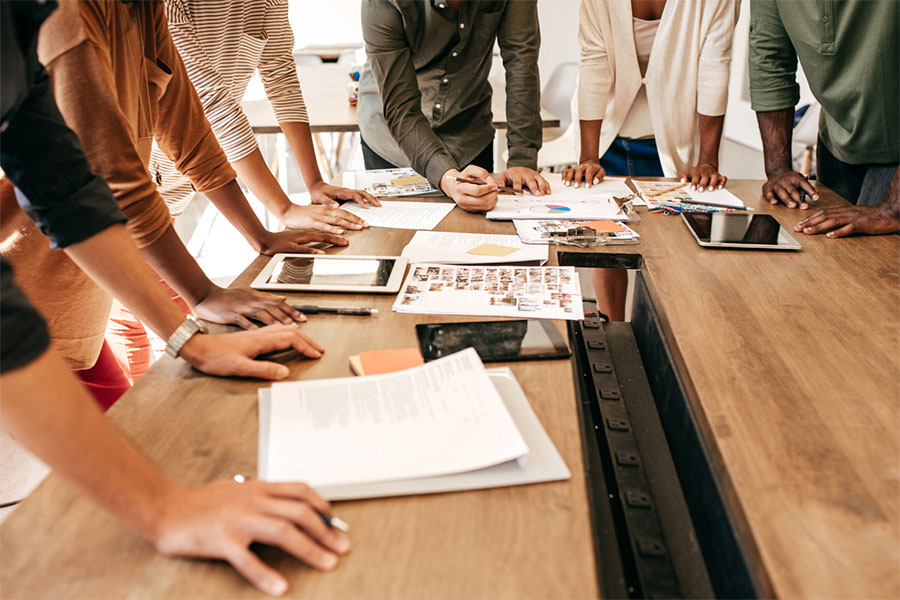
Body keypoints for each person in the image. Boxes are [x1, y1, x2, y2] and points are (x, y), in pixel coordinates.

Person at [1, 4, 348, 593]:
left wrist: (191, 329)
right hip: (29, 315)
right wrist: (161, 509)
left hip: (63, 308)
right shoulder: (70, 15)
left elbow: (67, 182)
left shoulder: (118, 11)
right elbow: (108, 171)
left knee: (146, 447)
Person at [3, 0, 347, 393]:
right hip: (36, 274)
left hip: (89, 257)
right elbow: (113, 171)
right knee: (133, 424)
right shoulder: (73, 15)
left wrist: (260, 234)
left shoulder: (146, 9)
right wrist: (198, 307)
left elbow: (190, 131)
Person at [561, 0, 739, 320]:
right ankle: (613, 331)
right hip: (606, 136)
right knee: (607, 243)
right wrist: (588, 156)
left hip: (675, 143)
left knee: (669, 251)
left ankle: (653, 339)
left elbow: (714, 66)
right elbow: (593, 65)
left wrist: (707, 161)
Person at [153, 0, 379, 238]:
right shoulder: (170, 4)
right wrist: (284, 209)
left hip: (181, 177)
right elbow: (211, 102)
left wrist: (314, 183)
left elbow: (282, 79)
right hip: (142, 171)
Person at [358, 0, 550, 212]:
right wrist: (447, 177)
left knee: (476, 236)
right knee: (396, 239)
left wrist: (521, 158)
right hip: (395, 144)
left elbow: (521, 63)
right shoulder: (381, 3)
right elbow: (401, 107)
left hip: (468, 134)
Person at [749, 0, 899, 238]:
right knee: (828, 259)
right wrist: (778, 169)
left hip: (895, 148)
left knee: (875, 267)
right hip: (836, 143)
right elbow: (770, 58)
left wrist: (893, 208)